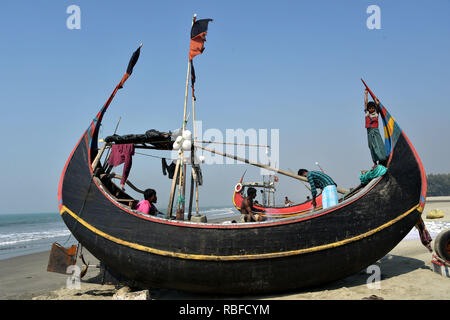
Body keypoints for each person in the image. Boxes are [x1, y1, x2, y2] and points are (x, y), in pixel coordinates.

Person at [364, 89, 387, 169]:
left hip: (375, 132)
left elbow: (377, 106)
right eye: (369, 108)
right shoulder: (367, 113)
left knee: (378, 145)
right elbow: (365, 103)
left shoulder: (376, 114)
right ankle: (375, 162)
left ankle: (382, 160)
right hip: (369, 132)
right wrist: (366, 94)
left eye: (372, 108)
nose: (371, 109)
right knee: (371, 147)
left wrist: (377, 102)